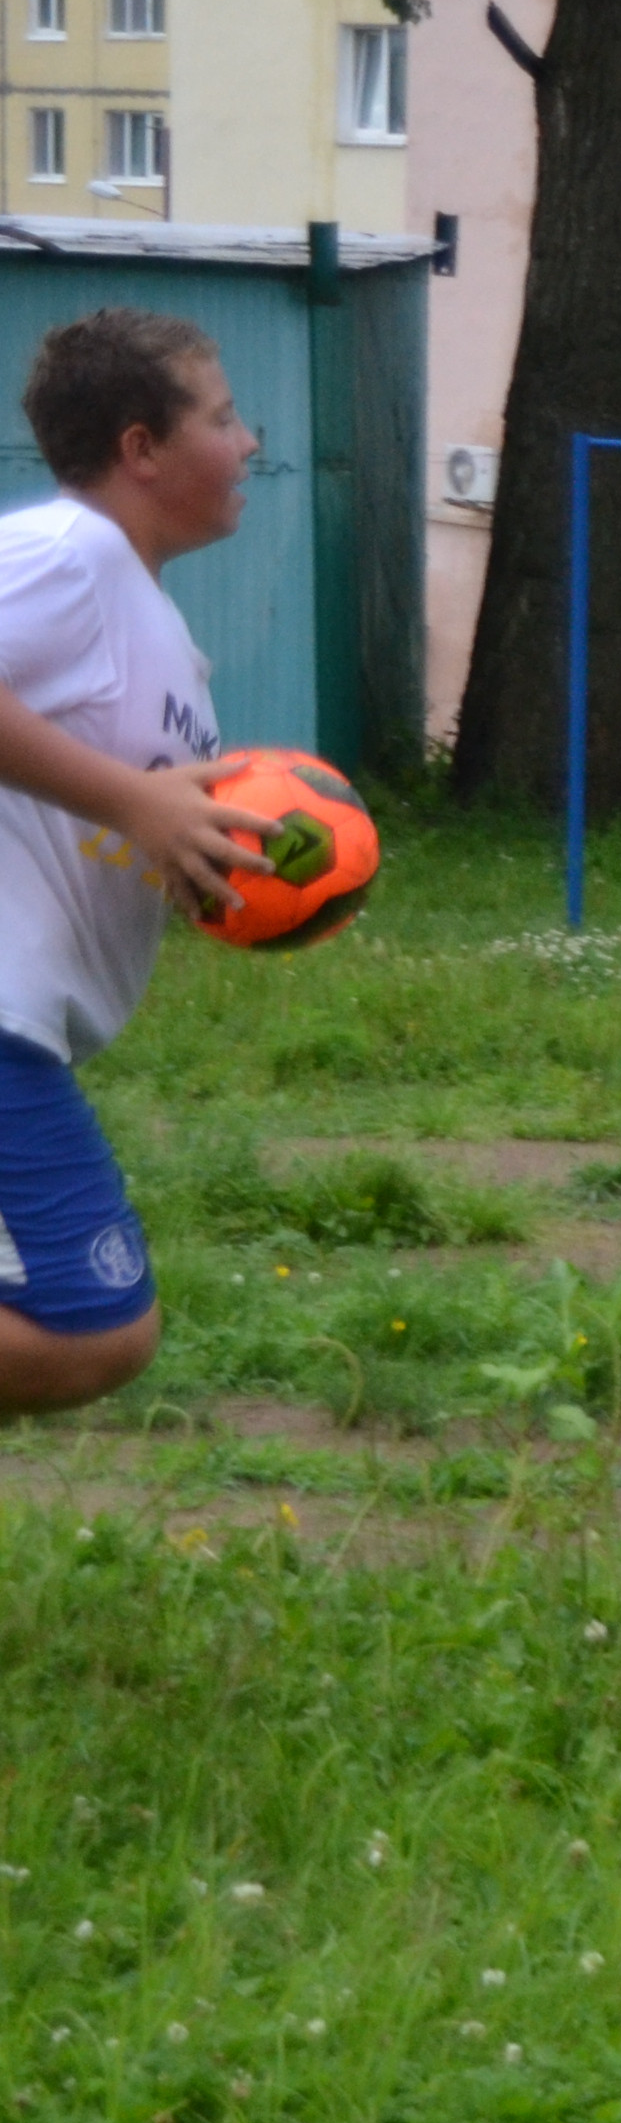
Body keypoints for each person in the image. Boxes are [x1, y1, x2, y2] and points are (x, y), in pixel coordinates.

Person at [0, 307, 273, 1414]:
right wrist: (131, 802)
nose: (250, 440)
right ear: (141, 448)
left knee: (86, 1324)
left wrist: (199, 859)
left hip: (28, 1023)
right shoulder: (71, 555)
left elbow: (119, 816)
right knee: (88, 1324)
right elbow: (123, 799)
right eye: (223, 415)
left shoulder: (140, 609)